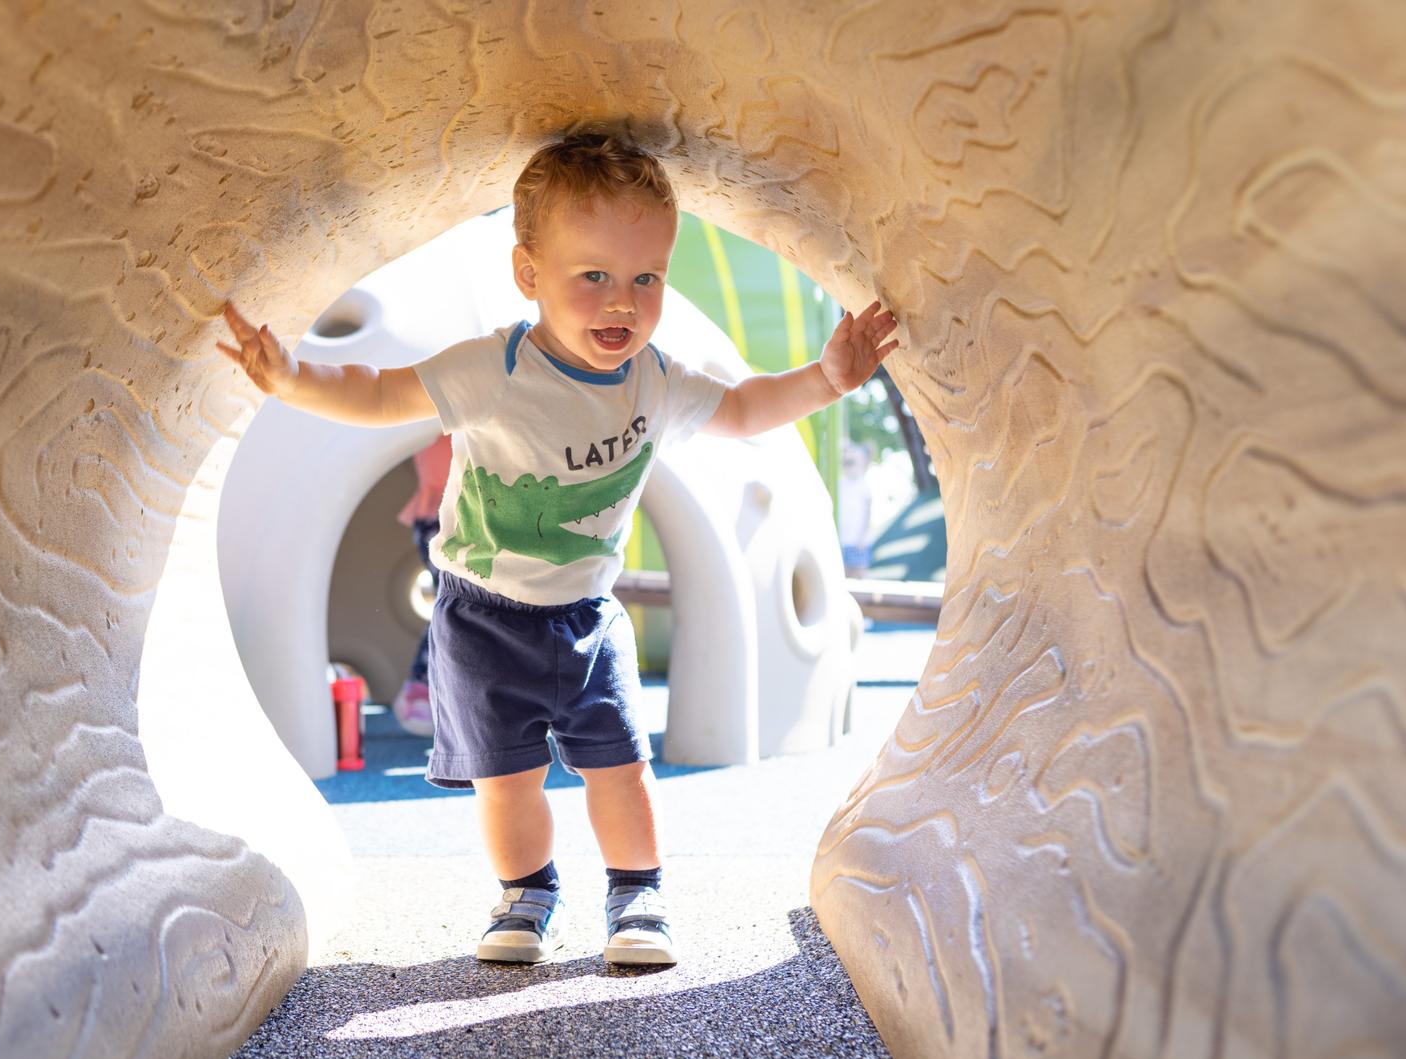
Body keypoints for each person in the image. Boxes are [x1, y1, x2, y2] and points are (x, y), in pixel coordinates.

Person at [217, 131, 899, 967]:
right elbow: (385, 393)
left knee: (620, 768)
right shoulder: (493, 370)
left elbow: (744, 411)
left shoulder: (655, 378)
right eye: (595, 277)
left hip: (585, 616)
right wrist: (293, 381)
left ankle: (638, 894)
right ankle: (527, 893)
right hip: (481, 617)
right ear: (528, 274)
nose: (623, 302)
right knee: (506, 784)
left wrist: (825, 379)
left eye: (646, 277)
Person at [392, 434, 452, 736]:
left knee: (460, 603)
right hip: (439, 511)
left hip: (470, 504)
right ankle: (422, 683)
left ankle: (427, 685)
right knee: (454, 602)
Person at [838, 440, 874, 579]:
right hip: (842, 539)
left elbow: (867, 514)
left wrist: (863, 537)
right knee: (843, 572)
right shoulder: (840, 483)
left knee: (859, 572)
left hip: (857, 540)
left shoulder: (863, 486)